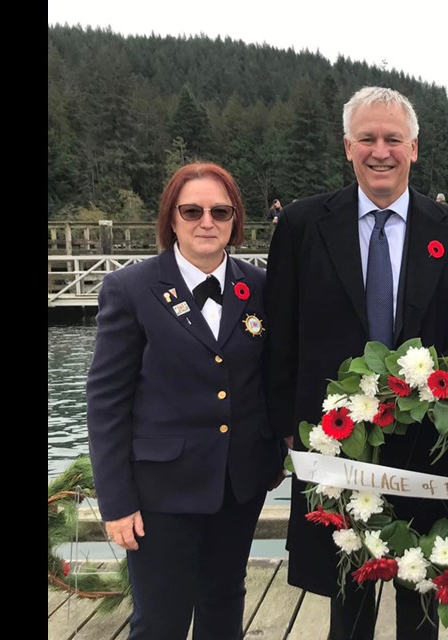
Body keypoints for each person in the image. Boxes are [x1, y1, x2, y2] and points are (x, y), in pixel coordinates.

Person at [263, 86, 448, 640]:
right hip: (334, 443)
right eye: (367, 138)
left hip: (428, 448)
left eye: (393, 138)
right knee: (348, 594)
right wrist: (287, 434)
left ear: (414, 148)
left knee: (424, 592)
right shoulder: (300, 226)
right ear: (348, 147)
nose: (380, 150)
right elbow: (280, 342)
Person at [86, 162, 286, 639]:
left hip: (238, 484)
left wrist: (274, 451)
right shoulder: (131, 289)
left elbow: (271, 379)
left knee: (223, 605)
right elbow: (106, 402)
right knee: (160, 619)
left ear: (236, 219)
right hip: (161, 491)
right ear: (171, 218)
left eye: (221, 211)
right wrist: (116, 502)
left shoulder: (260, 287)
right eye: (192, 210)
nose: (207, 221)